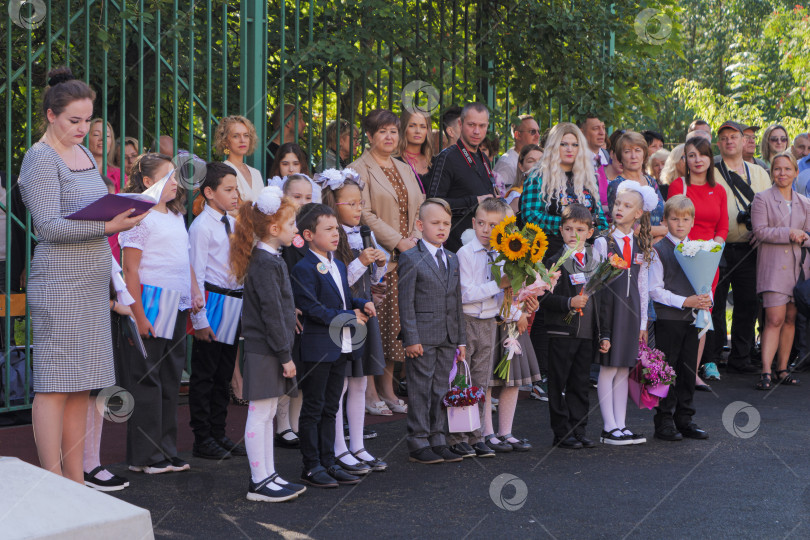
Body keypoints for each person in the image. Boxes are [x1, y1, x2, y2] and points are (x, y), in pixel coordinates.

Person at [18, 67, 145, 483]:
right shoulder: (39, 157)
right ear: (51, 115)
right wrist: (108, 227)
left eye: (87, 119)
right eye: (74, 120)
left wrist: (122, 209)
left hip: (91, 283)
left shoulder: (87, 155)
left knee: (82, 386)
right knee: (55, 386)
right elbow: (48, 227)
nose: (83, 128)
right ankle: (52, 482)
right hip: (59, 284)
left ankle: (75, 481)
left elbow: (91, 206)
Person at [119, 153, 203, 474]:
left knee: (170, 378)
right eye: (168, 176)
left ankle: (166, 450)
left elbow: (184, 259)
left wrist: (193, 291)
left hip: (175, 304)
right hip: (150, 303)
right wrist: (138, 314)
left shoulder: (176, 215)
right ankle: (145, 456)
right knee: (147, 380)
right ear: (147, 182)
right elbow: (131, 270)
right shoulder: (138, 217)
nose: (176, 182)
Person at [230, 186, 305, 502]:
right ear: (274, 229)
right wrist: (285, 355)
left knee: (270, 409)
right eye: (291, 225)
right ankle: (259, 480)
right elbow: (272, 313)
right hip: (267, 349)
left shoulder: (270, 258)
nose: (296, 230)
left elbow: (279, 307)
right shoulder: (264, 261)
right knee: (260, 414)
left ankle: (269, 475)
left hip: (271, 348)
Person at [291, 203, 375, 487]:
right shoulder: (303, 268)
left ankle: (329, 461)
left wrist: (362, 303)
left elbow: (344, 299)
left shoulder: (337, 263)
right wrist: (348, 316)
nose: (335, 234)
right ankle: (311, 466)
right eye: (328, 229)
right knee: (314, 406)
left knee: (330, 406)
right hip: (318, 346)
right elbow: (311, 307)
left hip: (341, 343)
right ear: (308, 234)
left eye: (336, 228)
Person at [350, 109, 424, 415]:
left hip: (407, 257)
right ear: (369, 136)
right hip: (377, 258)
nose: (390, 136)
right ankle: (369, 392)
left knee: (396, 328)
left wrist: (415, 239)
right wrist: (398, 240)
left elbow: (419, 203)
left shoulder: (402, 167)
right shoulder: (358, 169)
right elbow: (363, 212)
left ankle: (389, 389)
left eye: (394, 131)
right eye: (382, 131)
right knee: (375, 328)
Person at [320, 173, 388, 473]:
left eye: (361, 203)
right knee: (341, 384)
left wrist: (378, 267)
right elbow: (336, 282)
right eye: (351, 203)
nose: (358, 208)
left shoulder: (364, 231)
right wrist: (360, 261)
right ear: (333, 205)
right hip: (343, 317)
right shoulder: (331, 237)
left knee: (360, 381)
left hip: (365, 313)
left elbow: (370, 281)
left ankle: (358, 445)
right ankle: (339, 446)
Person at [397, 198, 467, 464]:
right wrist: (411, 338)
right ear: (419, 225)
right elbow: (406, 301)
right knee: (420, 388)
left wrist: (460, 340)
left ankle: (438, 437)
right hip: (422, 338)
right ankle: (418, 440)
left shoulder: (451, 258)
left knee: (441, 388)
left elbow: (456, 303)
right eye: (435, 223)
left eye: (446, 223)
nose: (442, 228)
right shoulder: (410, 257)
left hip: (448, 335)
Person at [450, 198, 518, 459]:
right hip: (467, 322)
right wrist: (498, 286)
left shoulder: (503, 255)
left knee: (481, 383)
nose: (486, 230)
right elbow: (465, 294)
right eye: (481, 223)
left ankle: (477, 435)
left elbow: (503, 295)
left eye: (493, 225)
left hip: (489, 323)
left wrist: (515, 304)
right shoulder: (465, 253)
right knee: (462, 380)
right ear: (473, 223)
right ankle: (458, 437)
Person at [188, 162, 247, 460]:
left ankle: (219, 431)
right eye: (228, 189)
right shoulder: (201, 227)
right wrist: (199, 319)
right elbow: (195, 274)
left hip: (233, 300)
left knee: (224, 371)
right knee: (205, 372)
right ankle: (202, 437)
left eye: (236, 188)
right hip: (211, 301)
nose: (235, 194)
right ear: (209, 192)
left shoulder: (233, 223)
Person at [595, 181, 655, 446]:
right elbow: (594, 282)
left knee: (624, 367)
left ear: (639, 213)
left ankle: (621, 424)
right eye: (618, 204)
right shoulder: (601, 241)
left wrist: (643, 321)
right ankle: (608, 426)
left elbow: (643, 284)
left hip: (631, 310)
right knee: (608, 366)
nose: (620, 209)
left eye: (627, 206)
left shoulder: (640, 244)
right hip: (609, 309)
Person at [710, 121, 771, 375]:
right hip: (718, 247)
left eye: (733, 136)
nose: (729, 141)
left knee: (747, 302)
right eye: (723, 138)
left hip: (749, 247)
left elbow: (770, 205)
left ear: (743, 140)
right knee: (716, 303)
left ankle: (741, 357)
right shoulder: (710, 171)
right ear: (718, 143)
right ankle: (711, 358)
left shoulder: (758, 172)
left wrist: (763, 232)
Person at [667, 136, 729, 388]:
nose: (697, 160)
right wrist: (691, 249)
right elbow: (673, 221)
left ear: (709, 158)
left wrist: (712, 249)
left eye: (702, 154)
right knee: (680, 314)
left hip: (709, 261)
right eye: (691, 155)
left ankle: (692, 371)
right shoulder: (678, 186)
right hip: (683, 257)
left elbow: (722, 226)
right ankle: (672, 371)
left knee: (703, 314)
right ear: (685, 160)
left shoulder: (720, 190)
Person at [649, 195, 712, 441]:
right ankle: (663, 421)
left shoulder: (698, 249)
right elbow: (655, 290)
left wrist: (707, 300)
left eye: (686, 219)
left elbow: (705, 283)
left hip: (692, 319)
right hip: (669, 319)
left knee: (687, 370)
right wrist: (685, 301)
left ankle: (684, 419)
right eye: (674, 219)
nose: (680, 224)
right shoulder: (659, 250)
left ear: (693, 221)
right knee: (668, 371)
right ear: (665, 221)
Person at [541, 203, 601, 450]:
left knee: (580, 383)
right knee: (559, 383)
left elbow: (601, 301)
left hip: (586, 334)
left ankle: (579, 429)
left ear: (590, 232)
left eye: (579, 229)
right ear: (561, 231)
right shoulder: (553, 261)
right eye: (568, 229)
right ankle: (561, 433)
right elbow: (543, 298)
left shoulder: (594, 261)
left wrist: (603, 333)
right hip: (561, 332)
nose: (573, 234)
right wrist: (568, 302)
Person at [752, 152, 810, 390]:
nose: (782, 173)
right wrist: (789, 233)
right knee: (774, 319)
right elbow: (760, 232)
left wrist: (803, 236)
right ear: (771, 172)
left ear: (796, 172)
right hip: (774, 268)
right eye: (778, 169)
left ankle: (782, 369)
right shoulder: (762, 198)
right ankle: (766, 370)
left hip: (798, 270)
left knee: (790, 318)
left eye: (787, 169)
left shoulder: (806, 203)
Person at [83, 257, 136, 491]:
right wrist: (114, 305)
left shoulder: (102, 242)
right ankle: (86, 465)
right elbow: (83, 295)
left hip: (104, 322)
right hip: (89, 324)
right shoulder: (81, 242)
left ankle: (92, 463)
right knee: (88, 396)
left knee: (97, 395)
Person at [520, 122, 608, 259]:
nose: (569, 149)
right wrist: (570, 225)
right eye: (563, 144)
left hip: (585, 254)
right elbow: (530, 217)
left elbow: (600, 217)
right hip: (550, 253)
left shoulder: (589, 177)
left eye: (575, 145)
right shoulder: (538, 176)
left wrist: (594, 230)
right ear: (554, 146)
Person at [426, 102, 496, 252]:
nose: (477, 131)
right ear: (460, 123)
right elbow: (433, 204)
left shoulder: (483, 158)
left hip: (484, 247)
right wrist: (474, 201)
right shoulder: (447, 158)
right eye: (471, 125)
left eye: (482, 126)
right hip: (456, 250)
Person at [607, 131, 666, 240]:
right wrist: (664, 231)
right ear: (620, 157)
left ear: (644, 154)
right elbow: (628, 226)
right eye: (627, 151)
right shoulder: (616, 185)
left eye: (638, 150)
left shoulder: (651, 181)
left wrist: (659, 239)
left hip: (657, 245)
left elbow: (663, 214)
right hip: (630, 247)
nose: (633, 156)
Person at [216, 115, 265, 206]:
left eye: (246, 135)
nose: (242, 140)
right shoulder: (222, 172)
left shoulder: (256, 173)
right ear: (225, 141)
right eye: (236, 136)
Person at [493, 114, 541, 188]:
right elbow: (501, 196)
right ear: (517, 135)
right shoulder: (506, 163)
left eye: (538, 131)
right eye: (532, 132)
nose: (538, 136)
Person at [396, 109, 434, 193]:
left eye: (423, 126)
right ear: (404, 128)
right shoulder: (394, 161)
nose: (418, 131)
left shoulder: (435, 162)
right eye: (412, 126)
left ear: (427, 131)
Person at [577, 115, 609, 210]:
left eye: (603, 128)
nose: (602, 133)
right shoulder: (576, 158)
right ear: (582, 132)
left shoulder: (607, 155)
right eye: (596, 129)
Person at [504, 144, 542, 216]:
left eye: (541, 160)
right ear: (521, 166)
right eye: (531, 161)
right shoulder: (516, 196)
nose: (538, 164)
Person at [267, 104, 306, 174]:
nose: (304, 124)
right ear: (288, 122)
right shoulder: (266, 154)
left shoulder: (301, 153)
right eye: (300, 119)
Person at [88, 118, 123, 188]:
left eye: (107, 136)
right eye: (96, 134)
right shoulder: (74, 171)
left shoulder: (119, 175)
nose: (102, 138)